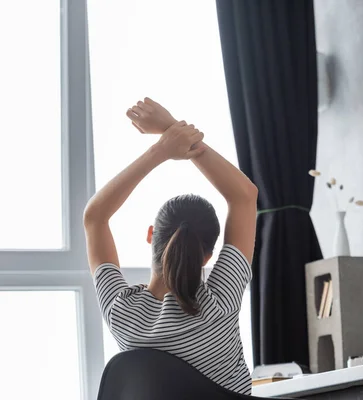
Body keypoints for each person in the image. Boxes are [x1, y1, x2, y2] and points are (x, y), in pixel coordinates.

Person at [83, 98, 257, 395]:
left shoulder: (121, 313)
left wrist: (161, 151)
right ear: (208, 257)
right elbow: (244, 196)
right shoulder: (218, 303)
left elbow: (94, 217)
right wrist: (171, 128)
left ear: (151, 235)